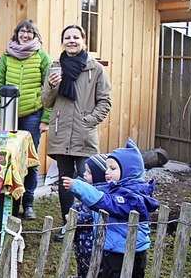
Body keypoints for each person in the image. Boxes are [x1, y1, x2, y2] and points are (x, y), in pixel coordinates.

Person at [42, 24, 112, 240]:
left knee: (87, 178)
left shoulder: (96, 69)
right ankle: (67, 223)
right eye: (67, 37)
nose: (71, 41)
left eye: (76, 37)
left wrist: (88, 121)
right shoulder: (55, 66)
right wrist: (53, 86)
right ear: (62, 41)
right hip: (60, 131)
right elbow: (46, 101)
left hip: (84, 134)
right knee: (64, 180)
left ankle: (87, 221)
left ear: (83, 41)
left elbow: (105, 101)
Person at [62, 138, 159, 278]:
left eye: (112, 168)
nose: (107, 172)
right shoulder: (117, 189)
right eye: (107, 168)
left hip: (127, 252)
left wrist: (78, 187)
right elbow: (97, 188)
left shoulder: (133, 197)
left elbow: (105, 201)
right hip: (113, 249)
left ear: (129, 171)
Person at [0, 19, 52, 220]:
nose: (25, 35)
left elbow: (50, 90)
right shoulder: (7, 56)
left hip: (32, 115)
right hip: (8, 115)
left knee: (30, 160)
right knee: (8, 157)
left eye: (30, 32)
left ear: (35, 36)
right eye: (22, 32)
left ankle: (29, 202)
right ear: (16, 34)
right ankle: (11, 202)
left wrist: (46, 118)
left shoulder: (41, 56)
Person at [71, 153, 108, 278]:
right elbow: (78, 205)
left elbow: (88, 216)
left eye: (89, 172)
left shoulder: (97, 196)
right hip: (82, 242)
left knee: (90, 266)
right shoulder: (88, 190)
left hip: (90, 242)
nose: (84, 174)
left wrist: (73, 218)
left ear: (99, 176)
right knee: (81, 262)